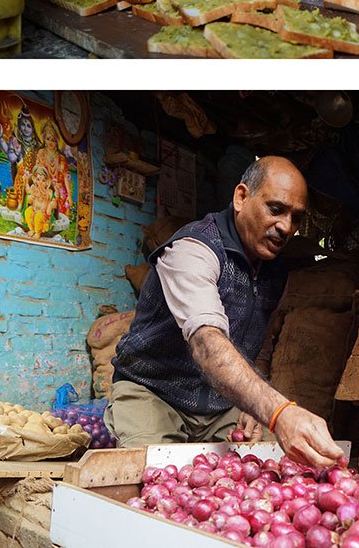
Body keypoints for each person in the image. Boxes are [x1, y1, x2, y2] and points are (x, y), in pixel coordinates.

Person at [106, 157, 345, 467]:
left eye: (296, 217)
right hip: (154, 393)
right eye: (275, 209)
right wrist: (276, 410)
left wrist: (254, 405)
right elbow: (207, 342)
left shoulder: (275, 272)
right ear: (241, 197)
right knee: (157, 481)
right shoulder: (193, 250)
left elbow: (258, 342)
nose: (286, 227)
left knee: (280, 468)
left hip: (219, 405)